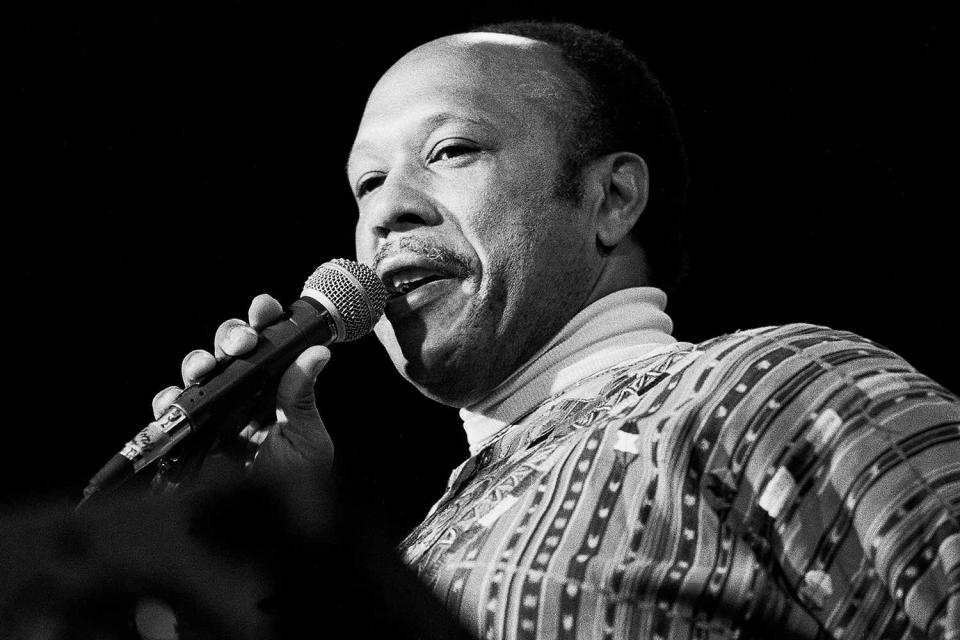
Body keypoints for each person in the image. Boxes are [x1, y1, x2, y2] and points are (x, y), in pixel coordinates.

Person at [156, 21, 959, 640]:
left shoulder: (772, 386)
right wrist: (278, 541)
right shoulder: (409, 552)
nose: (385, 213)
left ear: (611, 200)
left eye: (451, 150)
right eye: (367, 183)